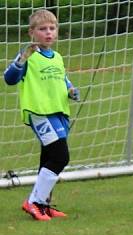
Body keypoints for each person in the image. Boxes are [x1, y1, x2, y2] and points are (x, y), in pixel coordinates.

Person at [4, 9, 79, 221]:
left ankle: (44, 205)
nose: (48, 33)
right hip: (39, 113)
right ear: (32, 32)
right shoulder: (29, 55)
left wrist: (71, 91)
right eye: (42, 29)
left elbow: (63, 80)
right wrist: (20, 61)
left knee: (48, 157)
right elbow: (9, 79)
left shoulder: (57, 57)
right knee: (60, 156)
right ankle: (33, 202)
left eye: (52, 28)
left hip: (58, 112)